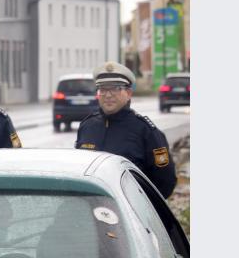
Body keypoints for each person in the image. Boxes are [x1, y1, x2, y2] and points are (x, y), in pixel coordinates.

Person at [75, 61, 177, 198]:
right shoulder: (87, 126)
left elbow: (165, 182)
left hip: (129, 213)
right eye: (103, 89)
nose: (108, 95)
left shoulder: (145, 131)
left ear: (128, 93)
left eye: (116, 88)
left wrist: (139, 204)